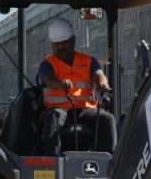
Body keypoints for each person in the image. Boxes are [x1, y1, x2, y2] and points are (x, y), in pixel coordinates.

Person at [37, 18, 115, 155]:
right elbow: (48, 79)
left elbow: (98, 74)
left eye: (65, 42)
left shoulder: (89, 61)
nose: (61, 46)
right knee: (54, 117)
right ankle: (52, 163)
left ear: (73, 40)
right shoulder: (47, 64)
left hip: (85, 109)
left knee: (107, 119)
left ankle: (108, 164)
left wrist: (102, 82)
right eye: (57, 44)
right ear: (52, 45)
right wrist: (60, 84)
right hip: (59, 110)